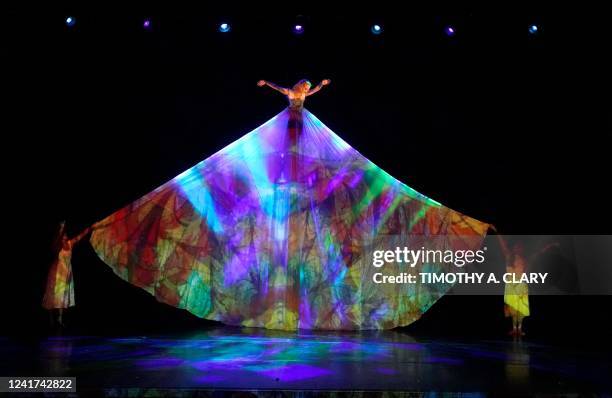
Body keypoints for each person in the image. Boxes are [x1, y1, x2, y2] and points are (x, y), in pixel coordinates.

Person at [492, 227, 558, 337]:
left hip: (521, 286)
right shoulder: (509, 257)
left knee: (520, 309)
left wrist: (550, 246)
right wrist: (497, 232)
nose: (518, 248)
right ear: (514, 249)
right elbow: (502, 245)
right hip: (511, 286)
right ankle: (514, 329)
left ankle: (519, 329)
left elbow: (538, 253)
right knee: (513, 309)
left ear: (522, 249)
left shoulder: (525, 260)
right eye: (517, 247)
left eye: (520, 247)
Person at [42, 221, 92, 327]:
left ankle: (59, 319)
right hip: (57, 273)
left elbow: (79, 237)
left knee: (62, 297)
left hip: (66, 274)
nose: (65, 235)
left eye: (65, 233)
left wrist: (89, 229)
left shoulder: (70, 243)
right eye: (63, 234)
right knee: (53, 296)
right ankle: (50, 318)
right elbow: (56, 240)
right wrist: (61, 228)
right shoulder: (57, 245)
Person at [257, 79, 331, 111]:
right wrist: (265, 82)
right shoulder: (289, 92)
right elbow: (276, 87)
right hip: (291, 114)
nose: (307, 90)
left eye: (307, 89)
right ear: (300, 86)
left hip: (301, 115)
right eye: (305, 88)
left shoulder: (304, 94)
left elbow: (316, 89)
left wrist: (322, 83)